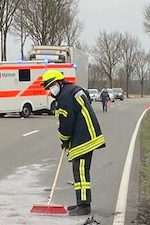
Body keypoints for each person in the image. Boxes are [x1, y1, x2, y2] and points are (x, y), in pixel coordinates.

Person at [43, 68, 105, 216]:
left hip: (84, 136)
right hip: (84, 134)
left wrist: (63, 139)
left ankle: (84, 205)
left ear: (59, 82)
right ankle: (81, 203)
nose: (50, 90)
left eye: (51, 86)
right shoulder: (72, 91)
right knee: (79, 170)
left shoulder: (65, 96)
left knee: (81, 172)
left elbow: (66, 123)